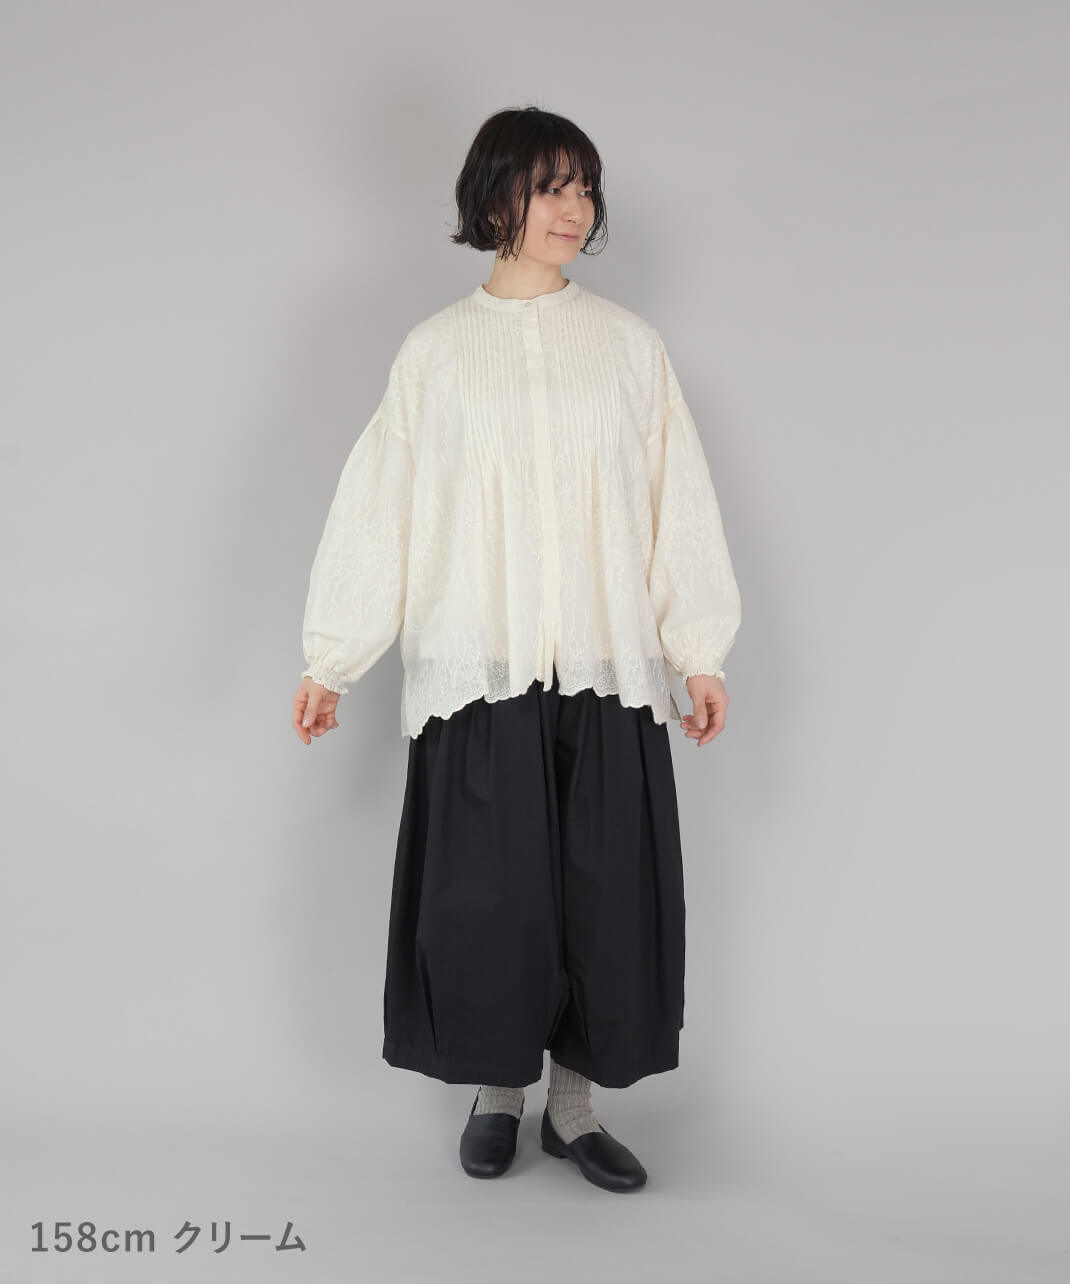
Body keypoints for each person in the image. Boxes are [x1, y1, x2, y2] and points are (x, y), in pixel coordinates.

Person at [292, 106, 742, 1193]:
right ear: (494, 197)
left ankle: (572, 1111)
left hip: (604, 666)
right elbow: (383, 505)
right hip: (479, 669)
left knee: (603, 901)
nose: (573, 207)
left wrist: (697, 648)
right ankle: (499, 1094)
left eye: (583, 187)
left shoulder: (628, 347)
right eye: (550, 186)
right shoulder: (436, 353)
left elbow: (673, 498)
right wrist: (333, 656)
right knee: (491, 903)